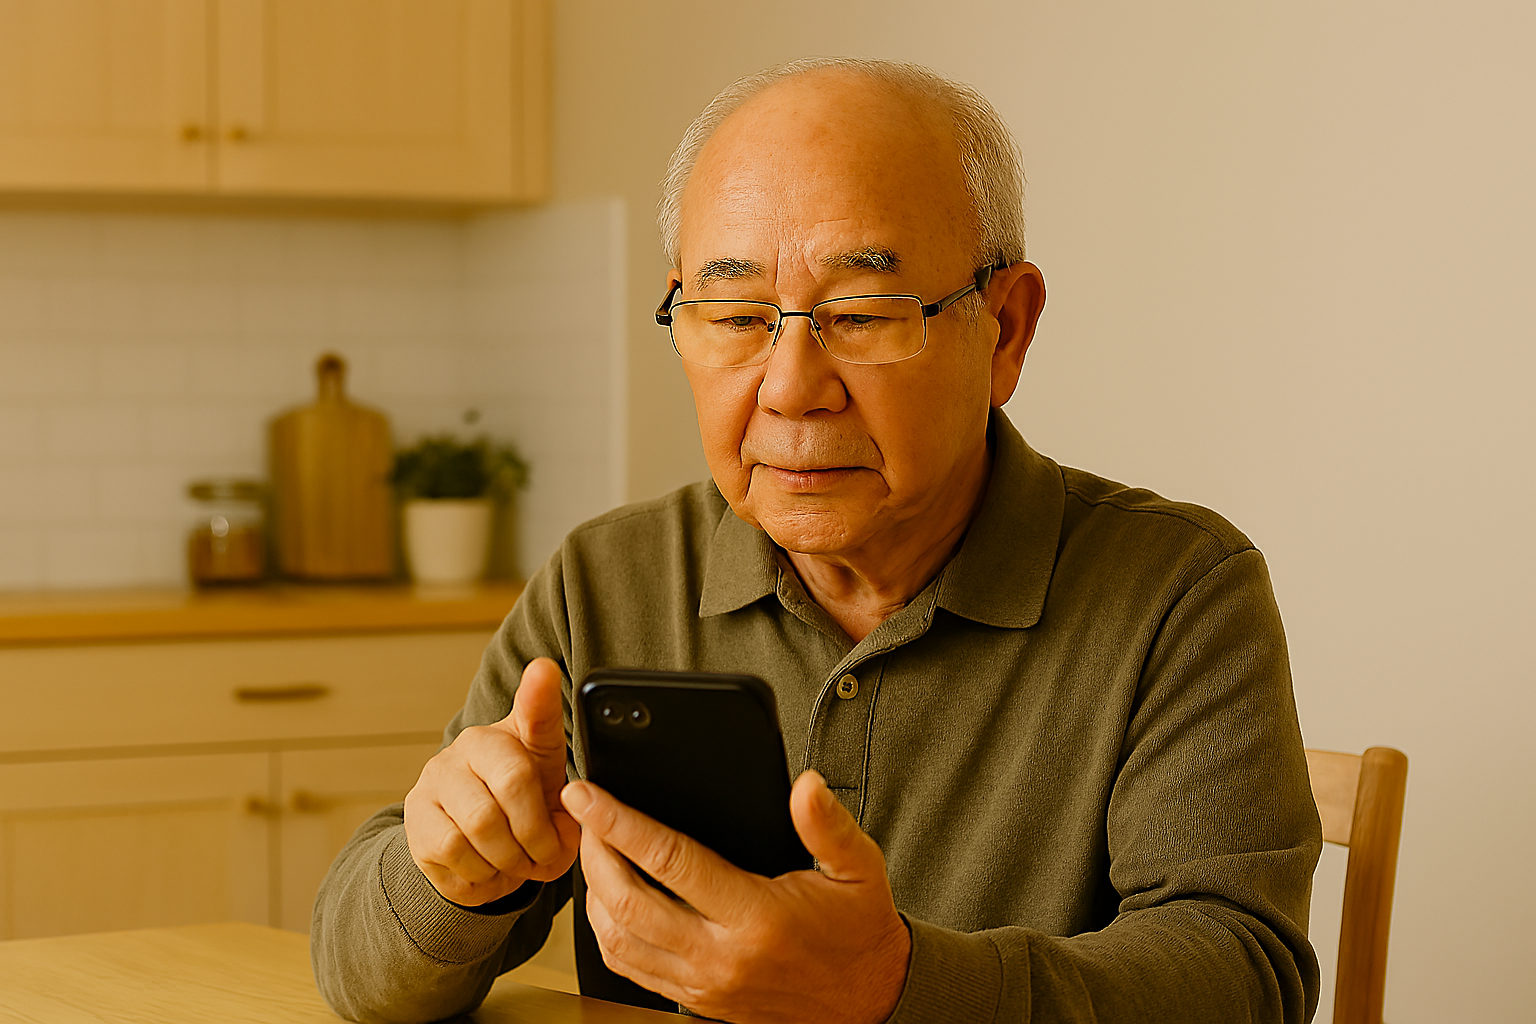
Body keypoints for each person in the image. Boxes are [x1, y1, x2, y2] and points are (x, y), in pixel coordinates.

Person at [313, 57, 1322, 1024]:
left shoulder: (1181, 589)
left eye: (862, 310)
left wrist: (893, 988)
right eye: (736, 313)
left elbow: (1241, 977)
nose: (792, 386)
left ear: (1004, 329)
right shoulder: (609, 578)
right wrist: (453, 871)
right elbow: (358, 969)